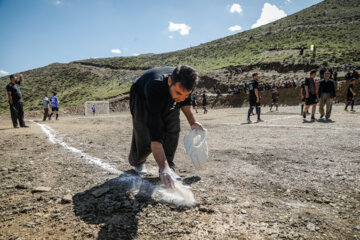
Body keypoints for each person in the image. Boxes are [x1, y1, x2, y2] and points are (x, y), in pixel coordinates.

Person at [128, 66, 204, 188]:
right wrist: (163, 168)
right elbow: (155, 132)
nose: (180, 98)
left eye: (185, 94)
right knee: (145, 131)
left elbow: (184, 101)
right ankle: (139, 161)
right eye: (178, 93)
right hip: (142, 95)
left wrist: (193, 122)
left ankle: (169, 167)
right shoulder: (154, 87)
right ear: (170, 81)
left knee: (173, 127)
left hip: (167, 93)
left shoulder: (185, 84)